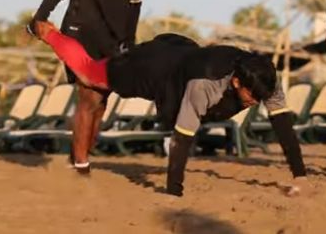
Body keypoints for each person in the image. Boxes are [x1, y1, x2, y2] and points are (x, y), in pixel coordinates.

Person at [34, 21, 308, 197]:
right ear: (236, 82)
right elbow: (182, 136)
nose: (256, 102)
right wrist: (173, 191)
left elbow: (283, 126)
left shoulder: (264, 79)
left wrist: (300, 175)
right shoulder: (205, 85)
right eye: (252, 97)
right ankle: (50, 34)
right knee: (91, 75)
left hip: (185, 56)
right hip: (154, 68)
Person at [27, 0, 172, 173]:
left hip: (113, 37)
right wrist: (41, 15)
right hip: (81, 28)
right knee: (89, 95)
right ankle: (81, 166)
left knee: (102, 99)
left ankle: (78, 158)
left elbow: (134, 3)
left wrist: (129, 42)